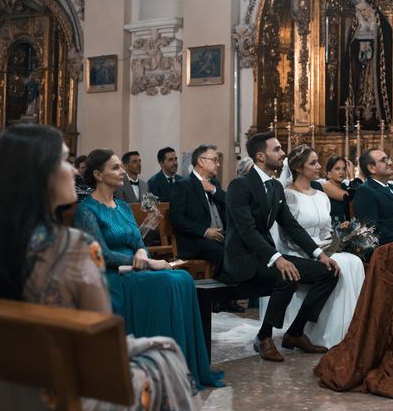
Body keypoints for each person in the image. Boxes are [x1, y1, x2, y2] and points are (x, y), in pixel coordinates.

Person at [0, 125, 201, 410]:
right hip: (61, 390)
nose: (73, 171)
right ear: (40, 175)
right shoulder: (72, 247)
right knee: (165, 355)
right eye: (64, 161)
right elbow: (100, 348)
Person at [74, 149, 222, 388]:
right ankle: (164, 371)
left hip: (137, 265)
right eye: (116, 168)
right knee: (172, 281)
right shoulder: (87, 210)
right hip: (113, 274)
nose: (122, 170)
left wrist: (142, 251)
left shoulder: (122, 206)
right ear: (98, 174)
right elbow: (100, 254)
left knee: (183, 279)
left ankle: (183, 366)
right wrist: (144, 260)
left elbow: (138, 240)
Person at [221, 131, 340, 362]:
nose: (283, 153)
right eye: (276, 149)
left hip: (267, 255)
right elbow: (247, 231)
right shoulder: (240, 186)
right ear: (260, 156)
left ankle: (295, 332)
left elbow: (291, 225)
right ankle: (264, 336)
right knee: (285, 276)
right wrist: (278, 258)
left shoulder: (276, 187)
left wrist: (319, 254)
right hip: (243, 258)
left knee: (328, 272)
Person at [272, 145, 365, 349]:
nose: (319, 166)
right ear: (298, 168)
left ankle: (350, 329)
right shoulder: (288, 196)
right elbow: (288, 236)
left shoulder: (322, 196)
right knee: (339, 266)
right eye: (313, 163)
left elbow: (325, 232)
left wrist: (338, 243)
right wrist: (319, 251)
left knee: (354, 261)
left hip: (322, 247)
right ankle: (326, 333)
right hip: (297, 251)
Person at [171, 144, 244, 313]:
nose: (218, 164)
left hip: (219, 236)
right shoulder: (183, 185)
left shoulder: (215, 183)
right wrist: (205, 231)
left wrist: (213, 190)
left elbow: (230, 204)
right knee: (222, 251)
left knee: (239, 247)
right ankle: (220, 298)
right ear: (201, 161)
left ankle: (227, 296)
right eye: (214, 160)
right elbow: (177, 219)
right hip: (195, 240)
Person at [321, 155, 356, 224]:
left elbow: (357, 200)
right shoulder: (326, 185)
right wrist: (352, 175)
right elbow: (348, 197)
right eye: (337, 169)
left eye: (344, 169)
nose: (341, 172)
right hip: (333, 229)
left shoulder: (345, 186)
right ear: (329, 173)